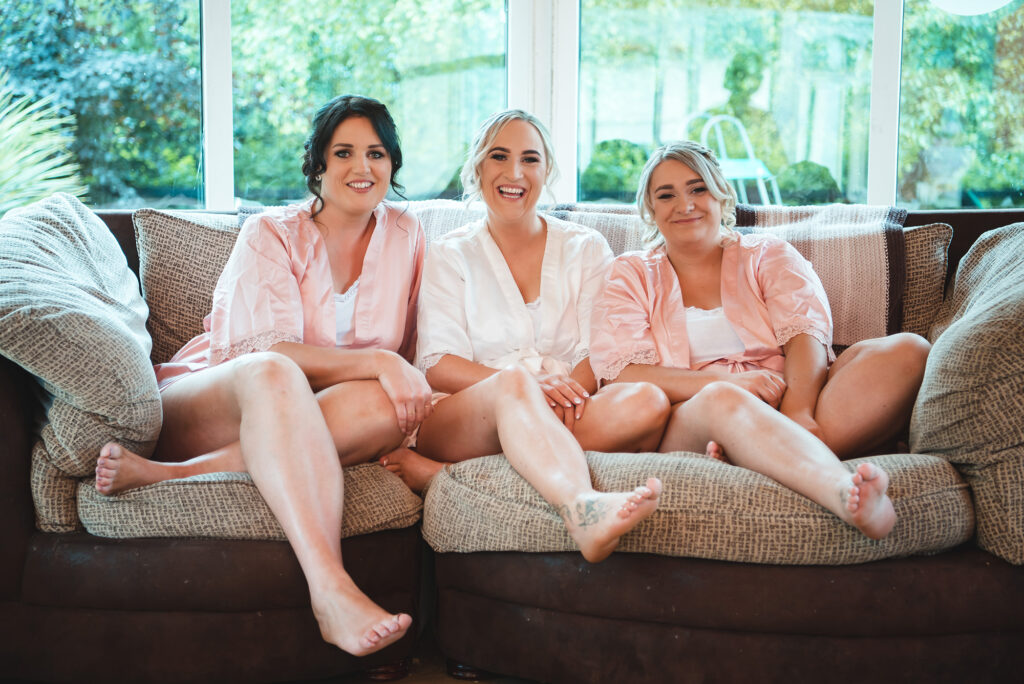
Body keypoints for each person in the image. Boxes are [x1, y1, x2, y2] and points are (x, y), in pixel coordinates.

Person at [93, 94, 432, 656]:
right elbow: (266, 349)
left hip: (320, 415)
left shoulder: (406, 233)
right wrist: (379, 361)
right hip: (222, 395)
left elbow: (415, 347)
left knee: (389, 407)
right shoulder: (270, 232)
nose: (362, 167)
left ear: (392, 164)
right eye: (343, 152)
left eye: (376, 153)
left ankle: (168, 476)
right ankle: (331, 589)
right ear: (317, 165)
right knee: (276, 371)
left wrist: (398, 378)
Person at [589, 140, 929, 539]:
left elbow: (806, 334)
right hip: (696, 417)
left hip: (790, 401)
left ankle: (761, 450)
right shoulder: (629, 273)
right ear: (650, 210)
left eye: (698, 189)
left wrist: (800, 410)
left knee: (908, 350)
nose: (685, 205)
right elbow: (623, 372)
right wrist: (728, 382)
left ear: (722, 194)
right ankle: (840, 490)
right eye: (666, 195)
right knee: (725, 400)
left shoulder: (768, 254)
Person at [382, 109, 668, 563]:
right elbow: (437, 363)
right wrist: (528, 387)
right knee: (514, 382)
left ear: (546, 170)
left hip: (568, 405)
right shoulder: (451, 252)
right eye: (499, 156)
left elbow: (601, 351)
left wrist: (564, 395)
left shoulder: (587, 247)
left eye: (530, 159)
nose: (514, 173)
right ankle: (582, 508)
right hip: (467, 414)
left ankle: (446, 474)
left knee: (648, 400)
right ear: (478, 167)